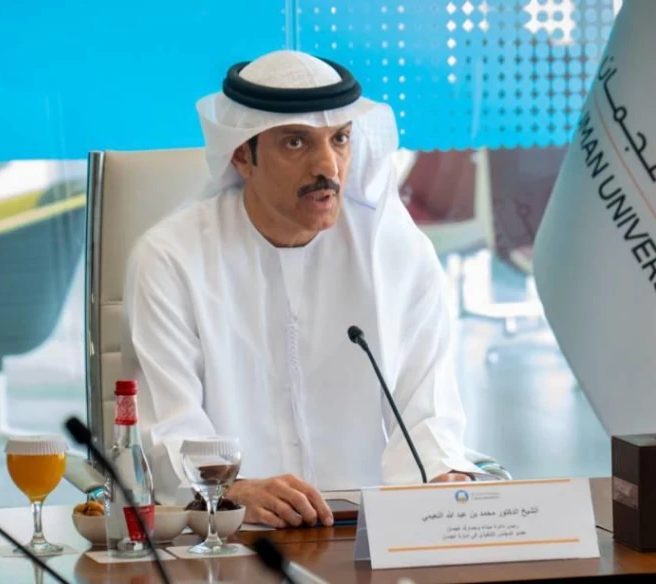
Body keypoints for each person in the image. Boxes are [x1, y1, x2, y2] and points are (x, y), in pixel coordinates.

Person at [122, 50, 484, 529]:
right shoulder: (171, 258)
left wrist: (444, 475)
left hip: (370, 535)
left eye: (340, 139)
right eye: (296, 143)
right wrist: (232, 489)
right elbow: (167, 426)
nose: (327, 166)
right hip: (232, 535)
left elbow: (427, 407)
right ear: (241, 155)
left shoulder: (395, 251)